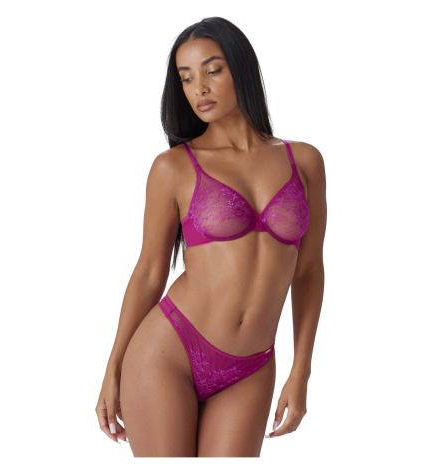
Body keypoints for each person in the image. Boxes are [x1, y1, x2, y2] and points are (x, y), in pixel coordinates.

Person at [95, 16, 326, 457]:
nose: (199, 87)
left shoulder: (305, 161)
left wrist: (302, 371)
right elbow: (149, 272)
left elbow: (310, 270)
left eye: (212, 70)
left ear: (241, 69)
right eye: (186, 78)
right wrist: (113, 366)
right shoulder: (174, 167)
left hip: (252, 364)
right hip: (170, 352)